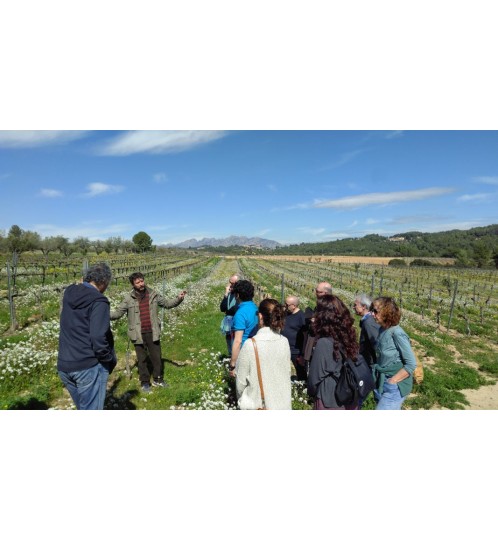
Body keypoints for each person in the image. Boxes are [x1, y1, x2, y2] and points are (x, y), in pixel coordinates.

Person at [110, 272, 186, 392]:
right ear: (133, 284)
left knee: (156, 357)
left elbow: (167, 304)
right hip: (137, 333)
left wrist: (179, 298)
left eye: (142, 281)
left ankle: (158, 379)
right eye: (137, 282)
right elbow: (118, 313)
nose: (141, 284)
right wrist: (102, 313)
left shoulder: (153, 294)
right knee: (142, 359)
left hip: (152, 331)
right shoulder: (128, 299)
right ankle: (145, 382)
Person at [58, 262, 117, 410]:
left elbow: (78, 285)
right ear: (104, 282)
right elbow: (98, 336)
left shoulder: (69, 291)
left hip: (65, 365)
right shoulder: (99, 301)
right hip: (88, 366)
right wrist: (107, 359)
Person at [235, 299, 292, 409]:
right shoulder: (284, 341)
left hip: (258, 405)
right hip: (283, 404)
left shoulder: (250, 345)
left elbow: (240, 383)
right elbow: (287, 372)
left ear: (260, 317)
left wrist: (243, 399)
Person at [307, 294, 359, 410]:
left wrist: (311, 393)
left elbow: (314, 379)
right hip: (349, 397)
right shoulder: (348, 337)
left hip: (330, 399)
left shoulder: (323, 343)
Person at [371, 296, 416, 410]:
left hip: (395, 386)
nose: (372, 314)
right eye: (372, 310)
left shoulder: (397, 333)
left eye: (375, 311)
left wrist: (393, 381)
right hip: (382, 382)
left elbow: (411, 363)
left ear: (387, 313)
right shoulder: (382, 329)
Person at [228, 279, 258, 377]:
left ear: (237, 295)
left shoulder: (240, 314)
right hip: (255, 351)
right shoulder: (255, 308)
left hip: (243, 353)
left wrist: (233, 364)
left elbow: (238, 341)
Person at [302, 281, 333, 363]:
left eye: (318, 292)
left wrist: (316, 322)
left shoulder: (331, 308)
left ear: (325, 293)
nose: (315, 293)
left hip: (323, 346)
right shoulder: (320, 305)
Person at [281, 295, 307, 381]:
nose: (285, 306)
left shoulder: (301, 317)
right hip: (284, 347)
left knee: (300, 372)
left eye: (287, 304)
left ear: (294, 306)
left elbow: (305, 336)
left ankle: (302, 389)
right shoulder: (285, 314)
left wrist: (302, 354)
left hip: (296, 350)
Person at [353, 293, 380, 366]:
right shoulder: (368, 320)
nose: (353, 307)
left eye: (355, 305)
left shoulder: (369, 322)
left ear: (364, 307)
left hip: (370, 364)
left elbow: (376, 344)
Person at [219, 274, 240, 356]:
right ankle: (231, 356)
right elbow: (222, 308)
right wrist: (226, 294)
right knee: (229, 339)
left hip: (236, 320)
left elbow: (235, 308)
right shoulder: (229, 294)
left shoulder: (240, 295)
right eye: (230, 283)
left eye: (232, 283)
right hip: (228, 321)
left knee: (236, 339)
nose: (230, 285)